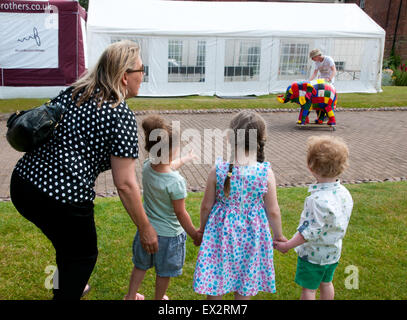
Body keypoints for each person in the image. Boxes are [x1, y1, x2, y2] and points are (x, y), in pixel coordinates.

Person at [9, 40, 158, 300]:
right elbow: (125, 184)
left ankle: (67, 281)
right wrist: (145, 227)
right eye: (141, 70)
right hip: (63, 198)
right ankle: (67, 289)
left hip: (24, 184)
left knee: (66, 247)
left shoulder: (75, 92)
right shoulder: (119, 114)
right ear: (125, 76)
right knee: (82, 255)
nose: (143, 76)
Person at [193, 111, 286, 300]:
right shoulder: (265, 173)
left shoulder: (218, 170)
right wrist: (279, 235)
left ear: (229, 138)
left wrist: (202, 229)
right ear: (261, 139)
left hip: (220, 233)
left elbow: (206, 206)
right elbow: (273, 211)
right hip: (252, 234)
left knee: (215, 281)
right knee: (245, 282)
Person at [124, 115, 201, 300]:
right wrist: (194, 234)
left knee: (140, 266)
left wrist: (185, 159)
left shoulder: (147, 167)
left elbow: (168, 166)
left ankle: (131, 296)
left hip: (146, 232)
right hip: (169, 237)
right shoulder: (176, 182)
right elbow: (180, 213)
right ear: (170, 150)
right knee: (164, 272)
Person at [274, 135, 353, 300]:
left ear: (311, 167)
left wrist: (287, 245)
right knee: (326, 283)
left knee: (309, 290)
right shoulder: (345, 193)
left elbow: (309, 232)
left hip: (313, 255)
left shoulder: (316, 200)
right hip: (333, 251)